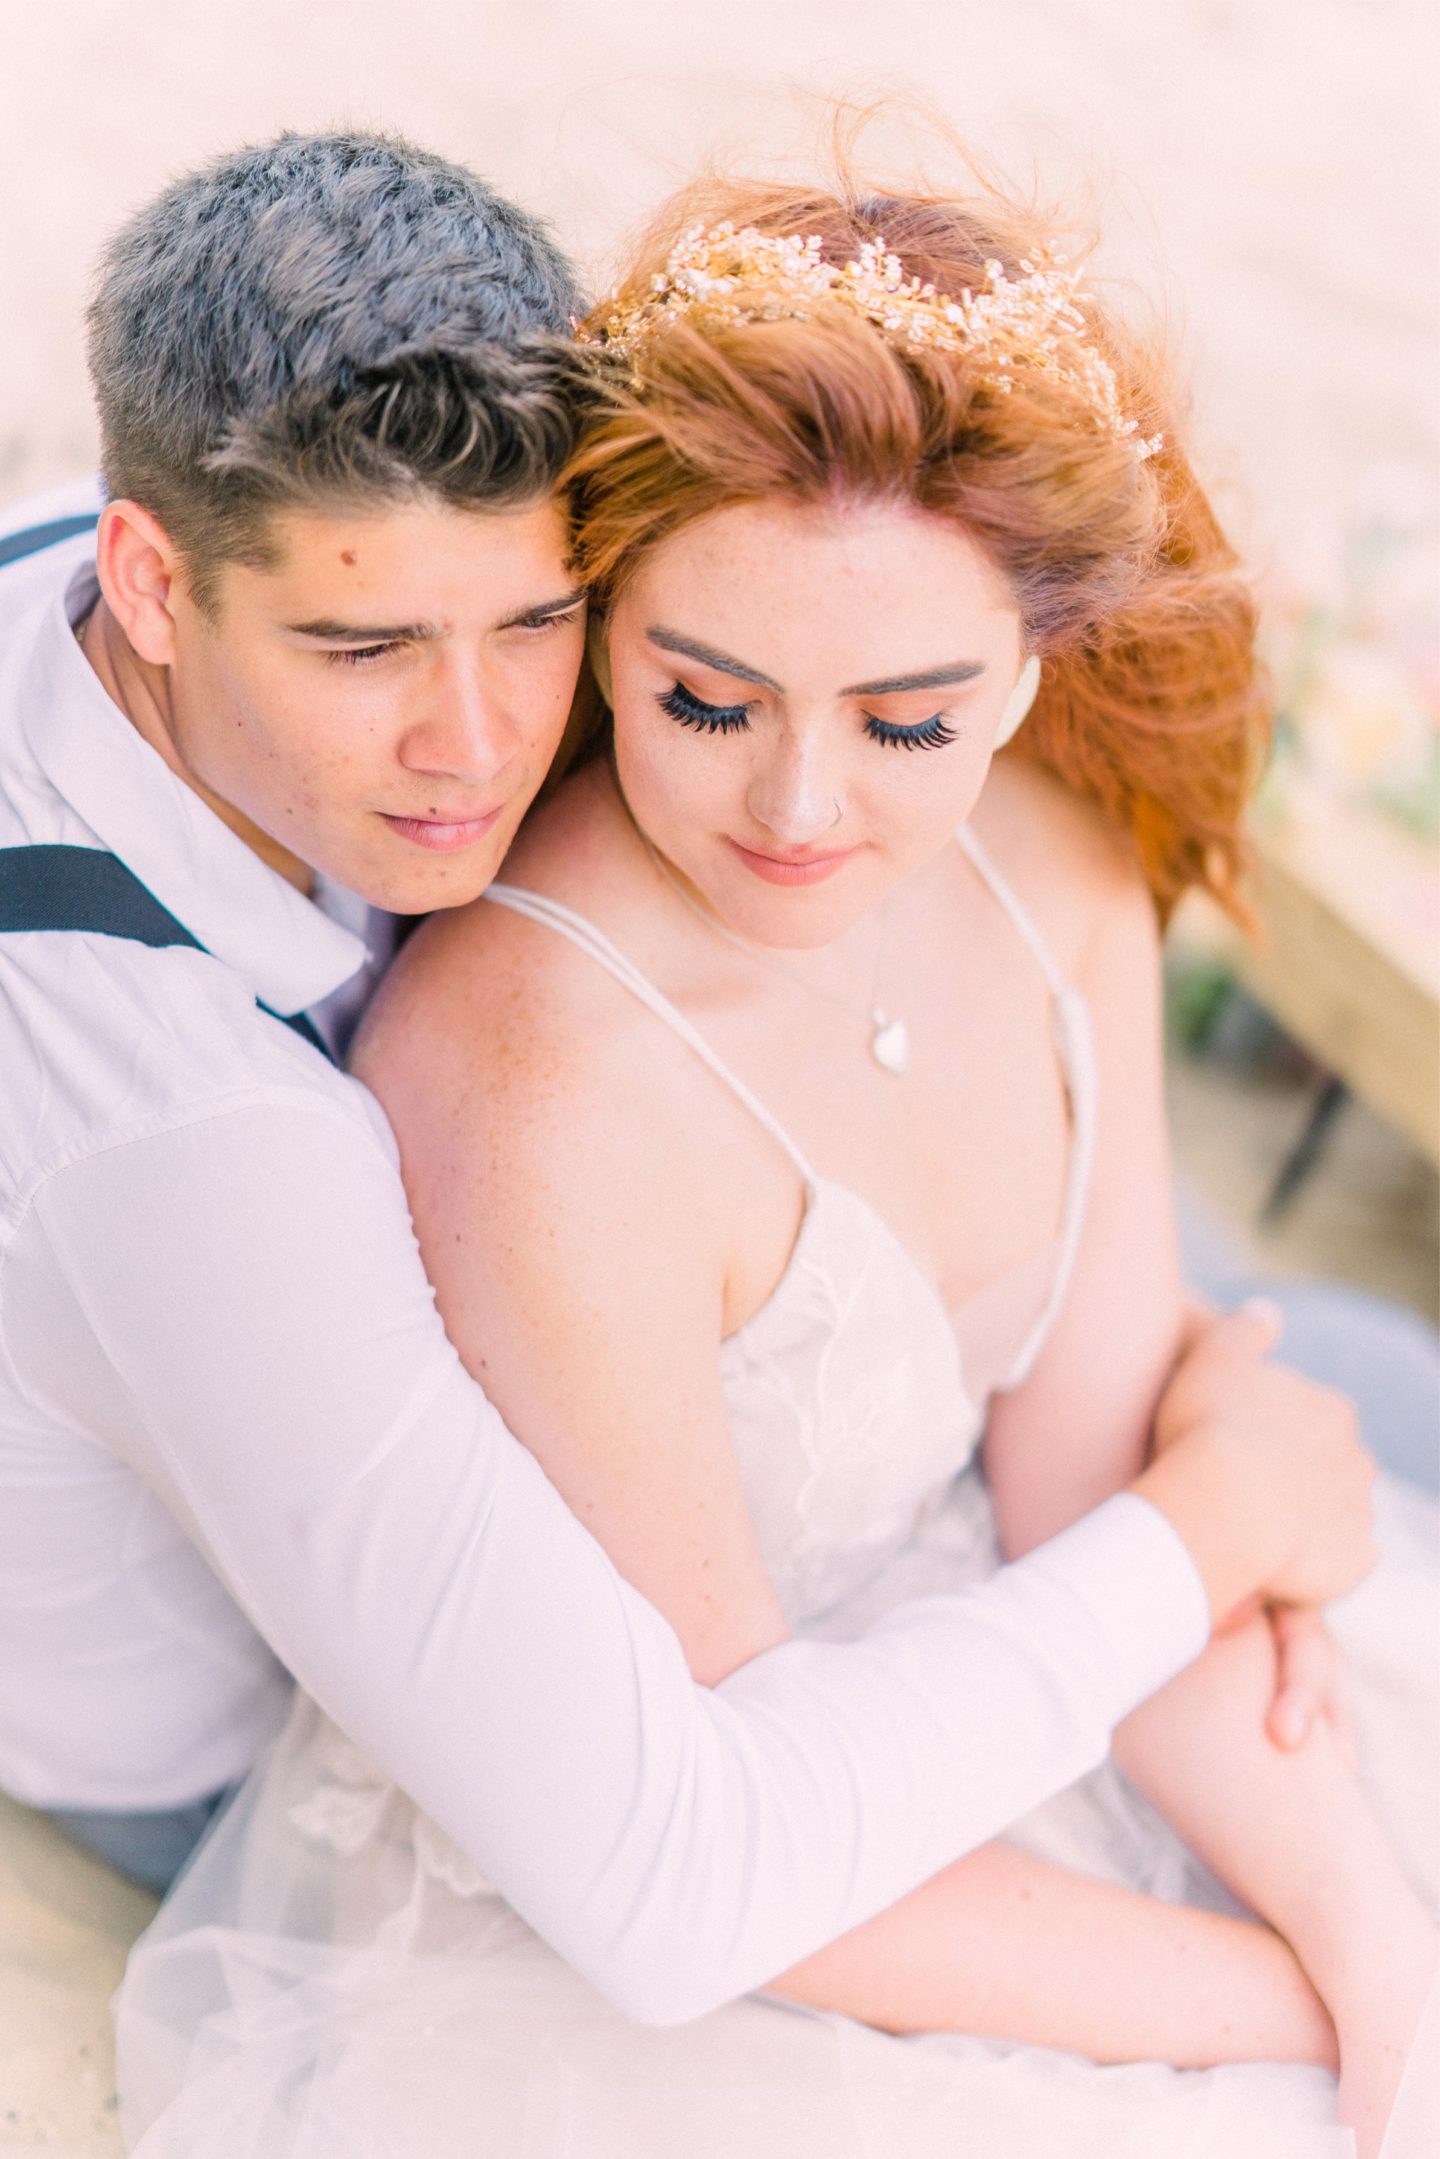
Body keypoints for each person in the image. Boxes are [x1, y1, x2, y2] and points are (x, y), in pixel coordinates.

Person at [0, 121, 1375, 2105]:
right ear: (153, 585)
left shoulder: (134, 537)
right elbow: (675, 1868)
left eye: (537, 620)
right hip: (328, 1740)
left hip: (795, 1468)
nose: (480, 752)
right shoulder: (208, 1153)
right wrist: (1318, 1971)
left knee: (1316, 1385)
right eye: (364, 650)